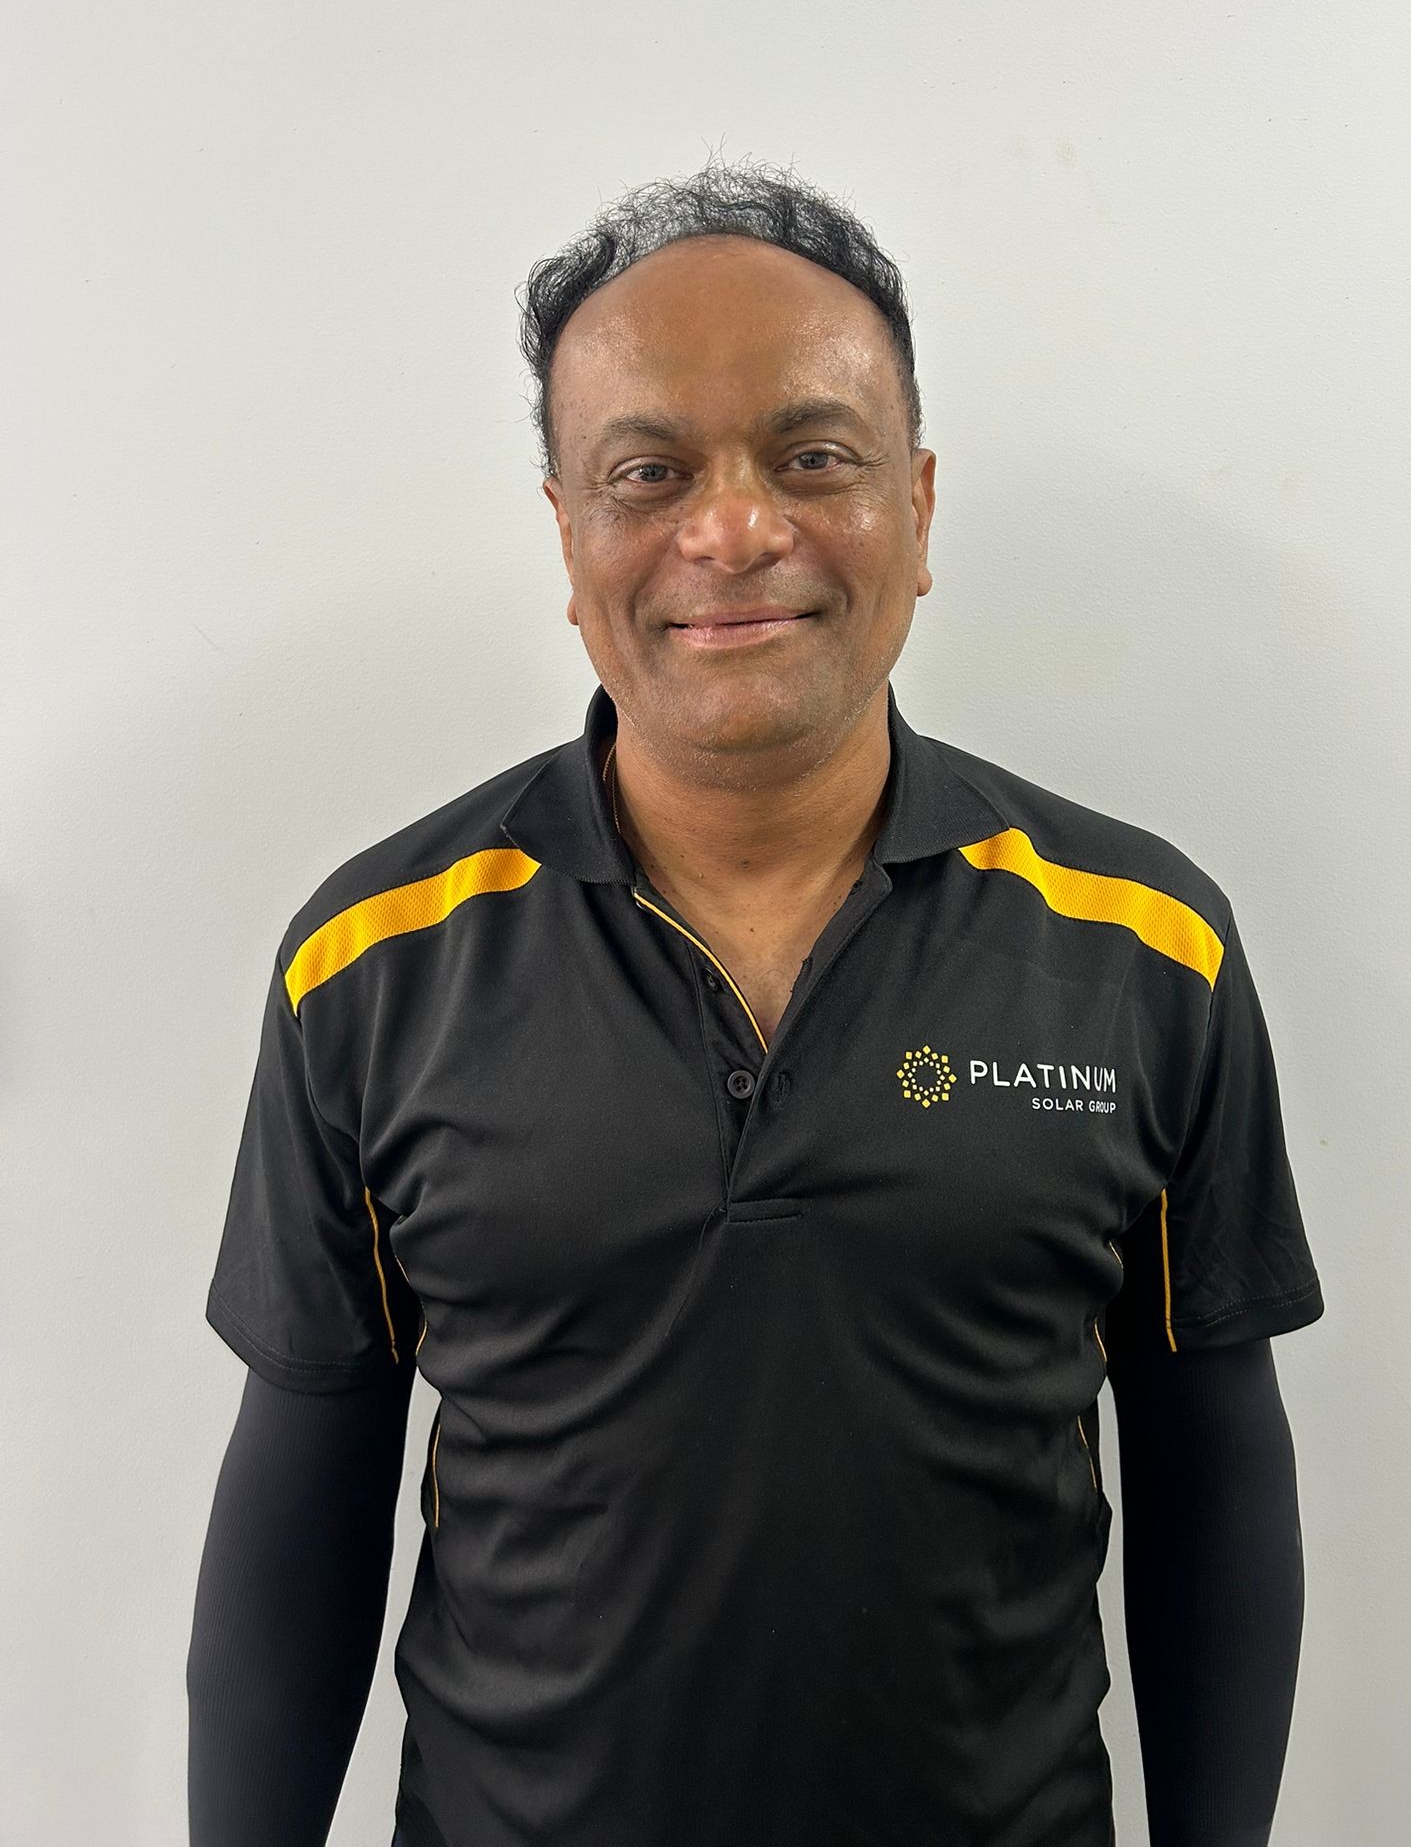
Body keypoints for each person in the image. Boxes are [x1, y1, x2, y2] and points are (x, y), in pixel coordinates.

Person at [186, 157, 1324, 1847]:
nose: (733, 531)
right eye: (648, 473)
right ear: (569, 538)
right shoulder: (373, 964)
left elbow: (1213, 1474)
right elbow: (302, 1511)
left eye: (813, 457)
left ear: (918, 509)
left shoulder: (1143, 947)